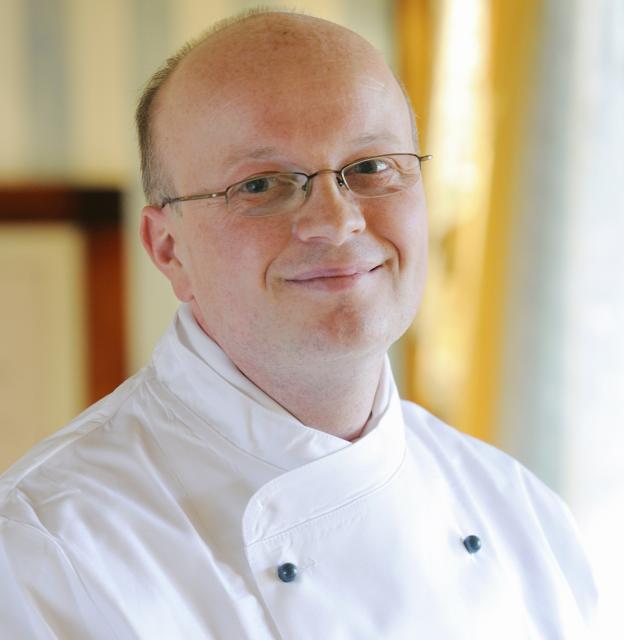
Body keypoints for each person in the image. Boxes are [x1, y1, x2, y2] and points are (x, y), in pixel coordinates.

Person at [0, 9, 596, 639]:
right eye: (261, 184)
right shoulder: (42, 553)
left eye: (372, 167)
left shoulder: (519, 510)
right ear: (169, 248)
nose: (337, 222)